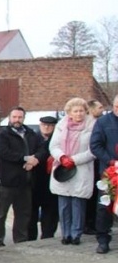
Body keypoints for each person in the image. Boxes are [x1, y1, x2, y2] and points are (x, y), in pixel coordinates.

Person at [0, 107, 45, 247]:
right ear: (9, 117)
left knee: (23, 215)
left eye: (20, 117)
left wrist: (35, 159)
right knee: (0, 215)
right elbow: (4, 152)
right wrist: (25, 158)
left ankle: (20, 241)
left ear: (24, 118)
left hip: (25, 181)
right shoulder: (1, 134)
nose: (17, 120)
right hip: (6, 181)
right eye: (14, 117)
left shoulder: (31, 134)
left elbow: (42, 149)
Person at [49, 99, 95, 246]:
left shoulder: (92, 126)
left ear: (86, 111)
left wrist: (74, 159)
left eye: (81, 111)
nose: (79, 114)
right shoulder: (61, 126)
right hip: (63, 168)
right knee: (64, 204)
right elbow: (54, 145)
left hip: (81, 168)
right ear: (69, 113)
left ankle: (76, 234)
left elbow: (93, 150)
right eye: (75, 111)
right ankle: (65, 233)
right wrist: (62, 157)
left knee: (78, 203)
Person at [90, 95, 118, 254]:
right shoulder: (103, 122)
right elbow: (95, 145)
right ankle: (102, 239)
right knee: (104, 206)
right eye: (117, 106)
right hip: (109, 172)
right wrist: (111, 161)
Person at [28, 116, 59, 240]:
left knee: (50, 212)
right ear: (40, 125)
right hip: (34, 179)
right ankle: (31, 237)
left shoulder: (57, 139)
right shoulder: (33, 138)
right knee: (31, 212)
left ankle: (48, 236)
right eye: (44, 125)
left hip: (51, 180)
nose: (47, 127)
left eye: (50, 125)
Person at [84, 100, 105, 234]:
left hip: (98, 162)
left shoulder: (101, 122)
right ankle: (88, 223)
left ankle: (95, 223)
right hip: (89, 162)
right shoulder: (88, 124)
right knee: (90, 196)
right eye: (100, 107)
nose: (102, 109)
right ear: (91, 109)